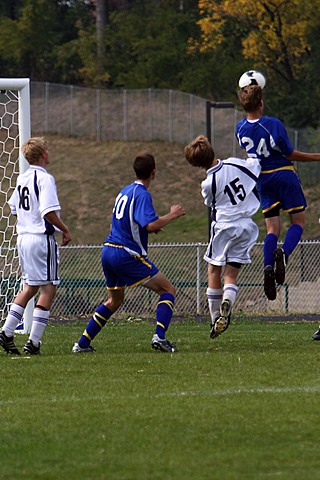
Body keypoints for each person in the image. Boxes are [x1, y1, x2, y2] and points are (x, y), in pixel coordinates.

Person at [72, 152, 185, 354]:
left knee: (114, 300)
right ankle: (159, 337)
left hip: (108, 250)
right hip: (125, 253)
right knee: (168, 290)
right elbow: (150, 225)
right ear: (154, 173)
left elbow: (124, 222)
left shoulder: (124, 191)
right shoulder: (142, 194)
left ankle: (82, 343)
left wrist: (149, 227)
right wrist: (172, 215)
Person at [236, 85, 320, 301]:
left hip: (262, 180)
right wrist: (316, 156)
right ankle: (284, 253)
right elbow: (289, 153)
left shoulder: (240, 128)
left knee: (272, 229)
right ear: (261, 103)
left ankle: (267, 267)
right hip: (283, 174)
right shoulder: (272, 124)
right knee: (298, 222)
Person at [0, 137, 72, 355]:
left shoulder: (23, 178)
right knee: (48, 288)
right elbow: (48, 212)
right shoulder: (45, 179)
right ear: (42, 154)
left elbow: (13, 208)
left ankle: (6, 331)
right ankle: (33, 342)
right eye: (47, 150)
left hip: (23, 238)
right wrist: (65, 229)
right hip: (41, 238)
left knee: (30, 287)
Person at [184, 135, 261, 339]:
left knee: (213, 271)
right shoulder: (234, 163)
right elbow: (254, 166)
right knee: (231, 275)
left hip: (225, 228)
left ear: (196, 164)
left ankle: (215, 317)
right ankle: (228, 298)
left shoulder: (208, 184)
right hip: (247, 226)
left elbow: (211, 203)